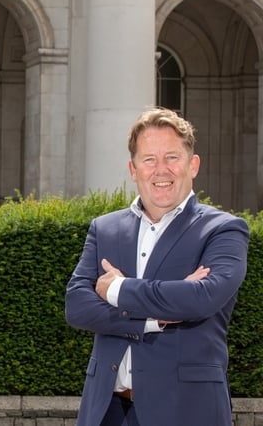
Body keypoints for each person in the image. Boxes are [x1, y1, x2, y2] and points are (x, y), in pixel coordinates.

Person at [65, 107, 249, 426]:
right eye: (149, 159)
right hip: (106, 410)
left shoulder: (223, 229)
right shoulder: (104, 229)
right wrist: (156, 319)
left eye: (172, 158)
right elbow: (77, 307)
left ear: (193, 165)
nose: (160, 170)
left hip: (187, 411)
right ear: (133, 169)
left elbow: (202, 298)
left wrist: (119, 289)